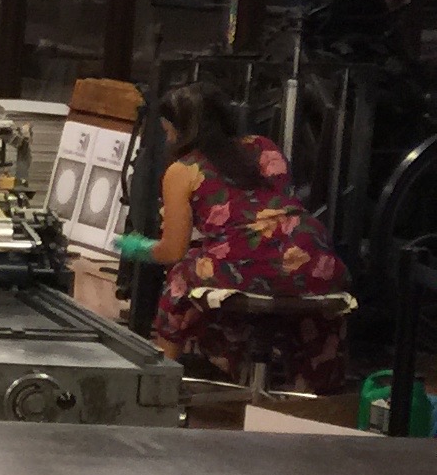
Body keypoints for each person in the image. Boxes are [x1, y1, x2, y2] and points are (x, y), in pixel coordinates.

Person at [119, 82, 355, 394]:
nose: (168, 139)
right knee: (300, 305)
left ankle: (160, 389)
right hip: (314, 257)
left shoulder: (183, 170)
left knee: (179, 281)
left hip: (248, 262)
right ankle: (312, 398)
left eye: (168, 131)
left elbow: (173, 250)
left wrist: (140, 248)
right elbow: (264, 212)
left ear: (183, 129)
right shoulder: (264, 146)